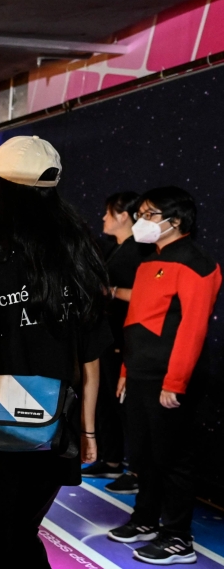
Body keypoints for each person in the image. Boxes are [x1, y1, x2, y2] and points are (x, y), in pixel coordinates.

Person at [0, 136, 110, 568]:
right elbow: (90, 357)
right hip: (51, 429)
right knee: (23, 534)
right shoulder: (78, 256)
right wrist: (88, 431)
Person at [107, 186, 221, 566]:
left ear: (176, 221)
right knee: (143, 455)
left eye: (150, 214)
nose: (142, 221)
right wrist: (126, 370)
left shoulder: (197, 263)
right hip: (140, 373)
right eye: (140, 213)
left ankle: (177, 537)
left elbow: (192, 329)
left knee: (173, 458)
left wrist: (175, 382)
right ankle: (145, 519)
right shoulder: (147, 262)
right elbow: (136, 322)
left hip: (170, 380)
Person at [84, 192, 152, 491]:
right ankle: (111, 459)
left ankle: (137, 471)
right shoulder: (115, 248)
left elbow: (145, 296)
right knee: (107, 401)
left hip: (128, 336)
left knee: (126, 406)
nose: (103, 218)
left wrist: (110, 291)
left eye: (108, 213)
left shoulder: (139, 251)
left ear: (123, 215)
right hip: (109, 333)